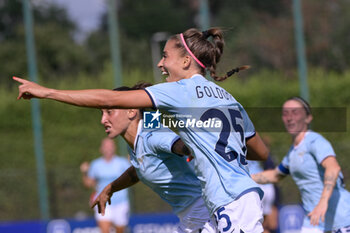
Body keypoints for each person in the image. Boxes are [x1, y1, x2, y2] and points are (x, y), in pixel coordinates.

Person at [14, 27, 269, 232]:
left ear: (185, 61)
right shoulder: (228, 98)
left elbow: (109, 98)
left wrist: (47, 92)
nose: (160, 63)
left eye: (165, 56)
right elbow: (260, 152)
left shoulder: (180, 92)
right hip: (236, 196)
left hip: (229, 201)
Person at [92, 82, 215, 233]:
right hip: (192, 215)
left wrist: (187, 149)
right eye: (102, 113)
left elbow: (176, 144)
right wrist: (110, 189)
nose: (103, 120)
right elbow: (137, 171)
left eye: (109, 112)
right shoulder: (136, 138)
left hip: (203, 211)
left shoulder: (151, 134)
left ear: (131, 111)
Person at [251, 97, 350, 233]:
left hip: (341, 219)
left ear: (308, 118)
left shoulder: (315, 141)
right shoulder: (293, 152)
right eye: (285, 113)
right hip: (313, 221)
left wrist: (322, 202)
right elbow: (275, 175)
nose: (289, 118)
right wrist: (243, 178)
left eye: (295, 112)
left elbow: (333, 168)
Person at [80, 137, 130, 233]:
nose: (108, 149)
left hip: (121, 202)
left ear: (114, 148)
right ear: (101, 149)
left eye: (110, 146)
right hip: (103, 203)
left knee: (120, 231)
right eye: (106, 146)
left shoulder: (122, 163)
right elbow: (88, 184)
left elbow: (133, 178)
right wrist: (85, 173)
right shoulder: (95, 164)